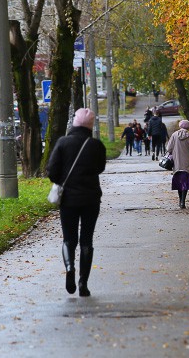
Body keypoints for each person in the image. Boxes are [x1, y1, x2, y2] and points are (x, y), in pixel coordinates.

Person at [47, 109, 106, 297]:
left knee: (68, 239)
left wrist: (62, 180)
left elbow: (52, 171)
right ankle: (83, 283)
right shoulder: (96, 145)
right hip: (91, 199)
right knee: (86, 240)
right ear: (90, 125)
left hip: (68, 200)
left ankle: (70, 268)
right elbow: (100, 168)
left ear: (74, 123)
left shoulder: (63, 143)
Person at [166, 120, 189, 209]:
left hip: (177, 161)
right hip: (187, 162)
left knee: (179, 181)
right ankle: (183, 201)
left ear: (180, 126)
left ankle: (180, 201)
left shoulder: (174, 135)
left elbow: (169, 148)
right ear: (188, 127)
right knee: (185, 182)